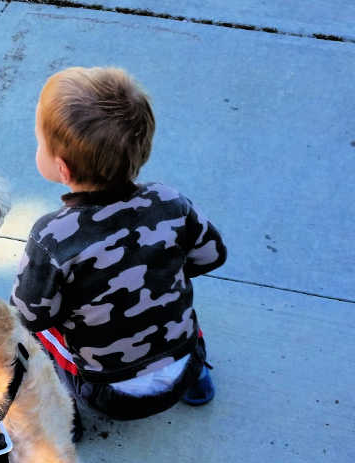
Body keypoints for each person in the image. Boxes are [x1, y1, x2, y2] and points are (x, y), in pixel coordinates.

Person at [11, 66, 227, 439]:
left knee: (24, 337)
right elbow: (210, 256)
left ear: (61, 168)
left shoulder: (52, 236)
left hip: (109, 393)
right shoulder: (169, 202)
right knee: (177, 312)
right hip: (184, 363)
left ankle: (64, 418)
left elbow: (33, 314)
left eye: (39, 143)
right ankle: (198, 382)